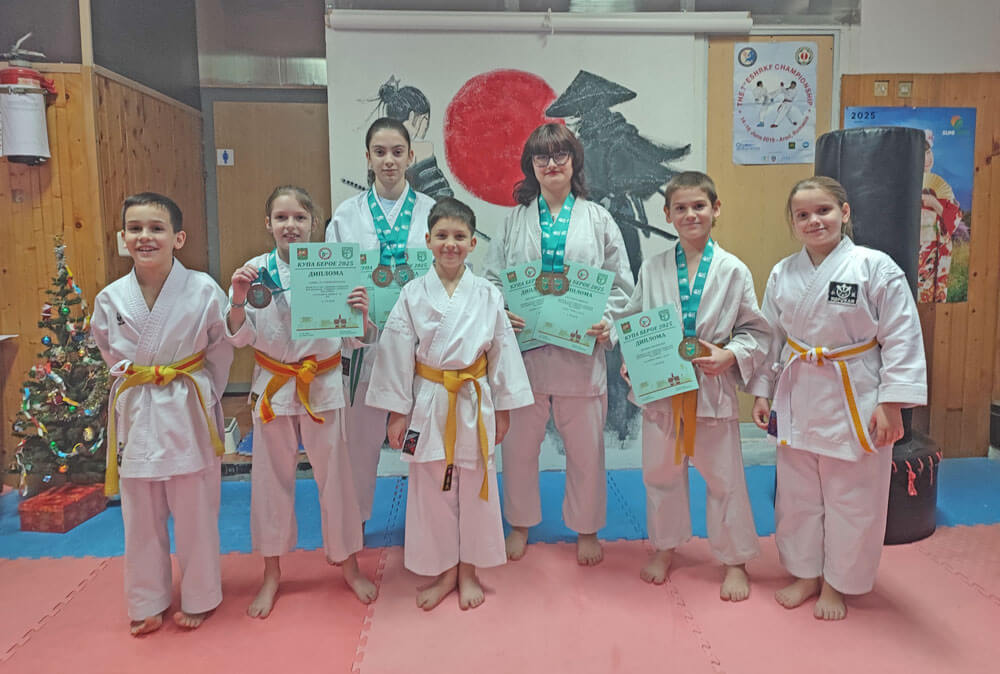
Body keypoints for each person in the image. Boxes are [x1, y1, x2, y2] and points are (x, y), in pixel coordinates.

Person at [750, 176, 927, 620]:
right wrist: (763, 391)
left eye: (823, 211)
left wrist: (891, 403)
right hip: (797, 392)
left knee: (853, 497)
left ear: (844, 213)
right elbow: (771, 337)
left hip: (855, 394)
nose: (814, 221)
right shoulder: (783, 273)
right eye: (803, 215)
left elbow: (901, 335)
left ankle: (838, 583)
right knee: (797, 497)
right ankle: (806, 573)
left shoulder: (875, 267)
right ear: (793, 223)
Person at [367, 197, 533, 610]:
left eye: (460, 236)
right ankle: (444, 571)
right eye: (442, 235)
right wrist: (397, 413)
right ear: (427, 240)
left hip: (473, 399)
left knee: (476, 485)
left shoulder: (488, 294)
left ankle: (469, 571)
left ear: (473, 243)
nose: (450, 244)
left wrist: (505, 409)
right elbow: (396, 354)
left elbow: (502, 352)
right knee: (431, 487)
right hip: (428, 399)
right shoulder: (412, 293)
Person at [484, 122, 634, 566]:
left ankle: (586, 527)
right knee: (518, 448)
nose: (551, 164)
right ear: (531, 165)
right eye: (542, 157)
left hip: (579, 353)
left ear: (574, 161)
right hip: (524, 354)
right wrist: (501, 312)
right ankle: (520, 523)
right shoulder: (513, 221)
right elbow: (492, 282)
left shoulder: (598, 219)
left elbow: (622, 286)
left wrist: (608, 323)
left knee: (586, 450)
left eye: (560, 155)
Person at [617, 171, 769, 600]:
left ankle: (734, 560)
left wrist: (730, 355)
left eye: (699, 206)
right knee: (660, 473)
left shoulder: (733, 269)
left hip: (709, 385)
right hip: (664, 388)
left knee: (724, 477)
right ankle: (665, 547)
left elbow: (755, 331)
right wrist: (634, 360)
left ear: (715, 209)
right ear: (667, 214)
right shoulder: (653, 267)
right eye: (680, 208)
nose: (690, 215)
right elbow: (634, 320)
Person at [228, 185, 378, 618]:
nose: (290, 225)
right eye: (281, 218)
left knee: (337, 480)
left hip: (323, 383)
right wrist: (237, 299)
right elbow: (239, 336)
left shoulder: (333, 266)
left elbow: (356, 338)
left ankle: (348, 565)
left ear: (314, 224)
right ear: (268, 224)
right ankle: (271, 573)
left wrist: (360, 314)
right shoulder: (255, 271)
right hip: (274, 386)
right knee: (270, 482)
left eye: (299, 218)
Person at [91, 193, 234, 635]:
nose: (145, 237)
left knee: (195, 512)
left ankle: (200, 595)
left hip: (187, 405)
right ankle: (147, 600)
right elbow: (106, 350)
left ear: (178, 237)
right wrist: (142, 378)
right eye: (135, 228)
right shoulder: (110, 298)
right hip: (137, 408)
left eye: (156, 228)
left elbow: (221, 349)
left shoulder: (204, 289)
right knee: (140, 514)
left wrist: (206, 392)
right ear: (123, 237)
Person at [326, 118, 436, 529]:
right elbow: (333, 283)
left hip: (420, 349)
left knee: (423, 441)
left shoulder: (431, 212)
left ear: (410, 156)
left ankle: (430, 526)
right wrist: (348, 323)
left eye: (397, 152)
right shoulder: (346, 215)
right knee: (359, 446)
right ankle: (354, 525)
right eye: (380, 152)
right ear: (368, 158)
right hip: (365, 346)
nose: (389, 160)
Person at [918, 129, 967, 303]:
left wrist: (934, 203)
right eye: (922, 154)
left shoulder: (941, 187)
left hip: (934, 247)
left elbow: (954, 217)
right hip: (912, 247)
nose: (927, 158)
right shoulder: (904, 184)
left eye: (929, 152)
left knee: (930, 297)